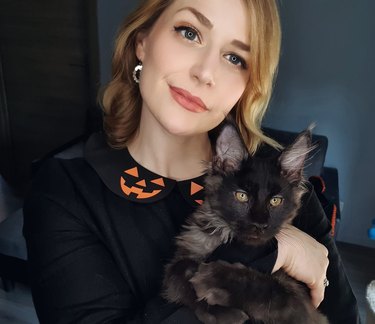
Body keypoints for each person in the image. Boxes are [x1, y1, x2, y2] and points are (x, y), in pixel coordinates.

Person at [23, 0, 359, 323]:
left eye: (234, 58)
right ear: (142, 41)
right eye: (189, 32)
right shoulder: (63, 194)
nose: (205, 72)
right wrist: (270, 253)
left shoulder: (287, 194)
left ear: (246, 86)